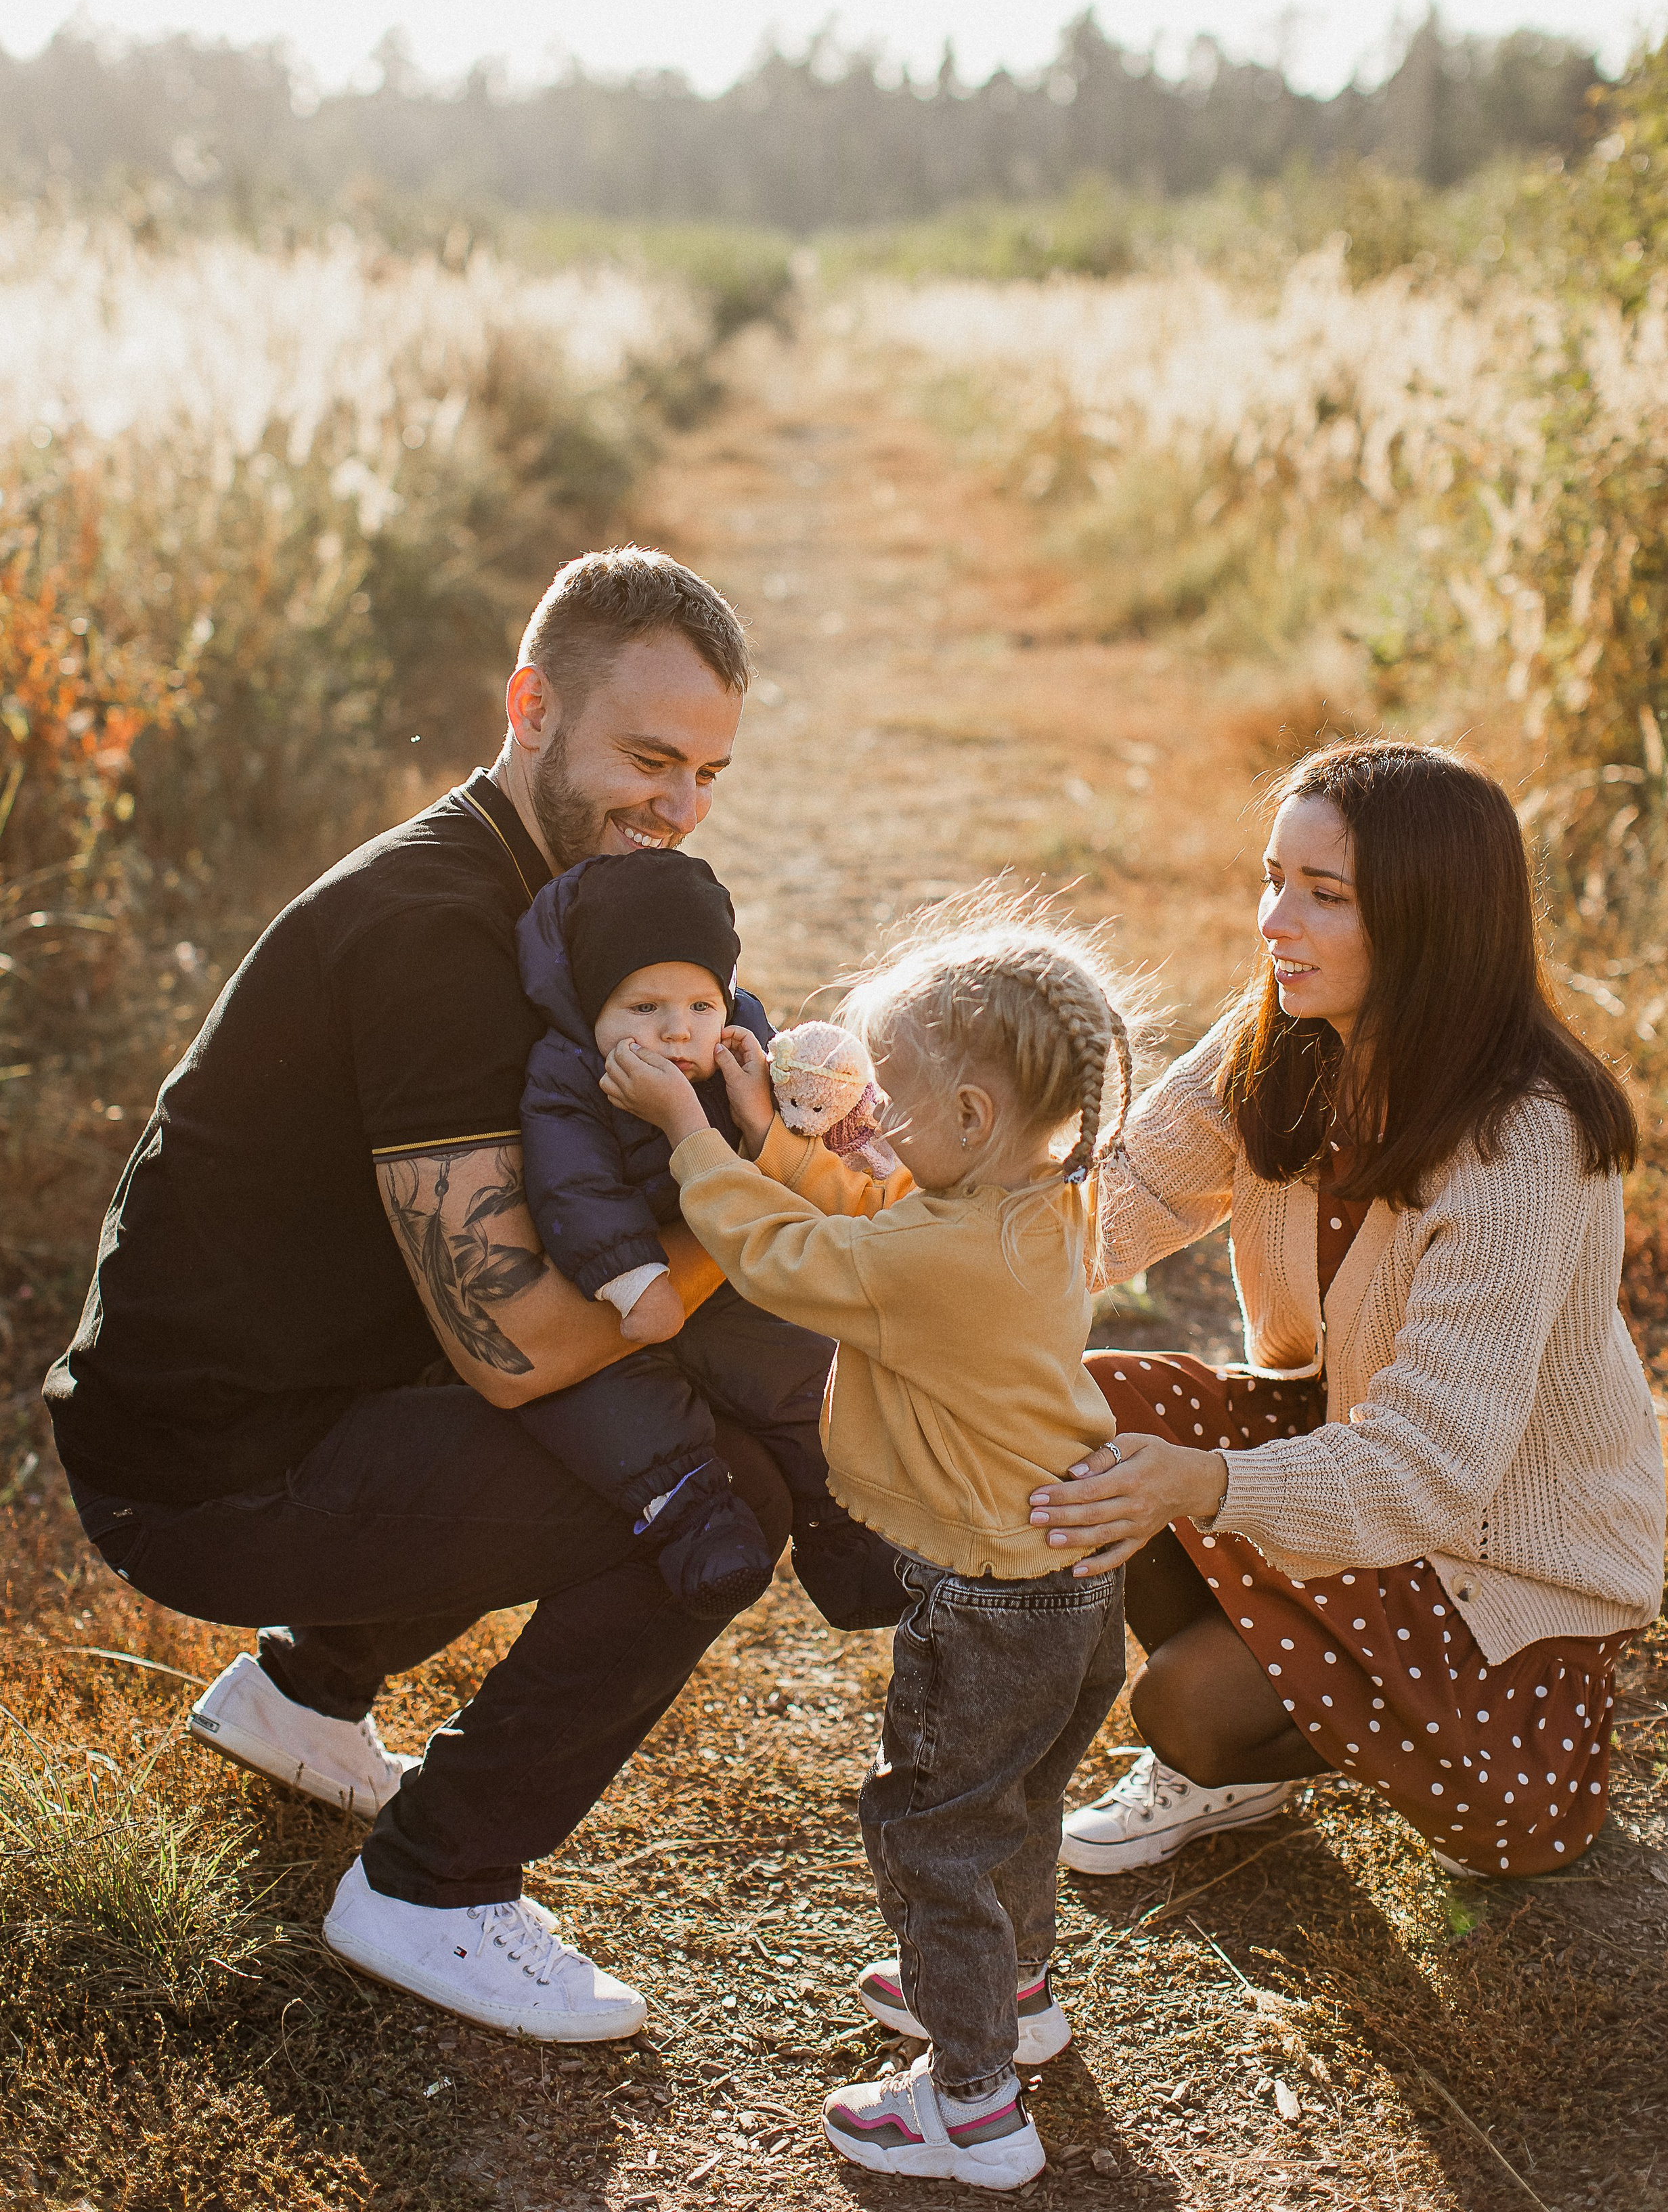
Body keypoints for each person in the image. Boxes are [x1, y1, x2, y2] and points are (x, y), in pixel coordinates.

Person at [41, 546, 862, 2043]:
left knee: (668, 1367)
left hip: (288, 1394)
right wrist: (758, 1207)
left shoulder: (554, 905)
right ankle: (435, 1883)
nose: (677, 809)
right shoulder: (437, 933)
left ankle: (307, 1696)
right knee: (708, 1486)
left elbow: (585, 1180)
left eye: (709, 775)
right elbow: (519, 1347)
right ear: (531, 705)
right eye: (647, 759)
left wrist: (758, 1127)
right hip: (205, 1472)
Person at [1024, 739, 1667, 1885]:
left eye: (1324, 896)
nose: (1275, 921)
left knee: (1190, 1711)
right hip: (1332, 1466)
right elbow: (1124, 1193)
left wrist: (1202, 1483)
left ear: (1431, 921)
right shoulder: (1278, 1035)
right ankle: (1288, 1689)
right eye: (1273, 879)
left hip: (1492, 1568)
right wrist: (937, 1267)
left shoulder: (1526, 1140)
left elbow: (1428, 1470)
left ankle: (1282, 1700)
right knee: (1060, 1400)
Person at [605, 912, 1135, 2192]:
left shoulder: (932, 1251)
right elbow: (875, 1206)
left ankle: (973, 2103)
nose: (871, 1122)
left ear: (967, 1113)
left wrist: (692, 1137)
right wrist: (780, 1137)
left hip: (990, 1602)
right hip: (1074, 1591)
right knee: (1012, 1803)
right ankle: (1013, 1991)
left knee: (931, 1830)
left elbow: (794, 1260)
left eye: (890, 1101)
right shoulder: (1035, 1204)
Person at [514, 844, 896, 1624]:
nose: (676, 1033)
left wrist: (784, 1109)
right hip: (615, 1297)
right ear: (592, 1006)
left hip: (724, 1278)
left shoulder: (738, 1048)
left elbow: (807, 1130)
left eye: (698, 1006)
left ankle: (854, 1544)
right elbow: (572, 1186)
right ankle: (699, 1529)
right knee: (624, 1418)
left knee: (802, 1376)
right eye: (643, 1010)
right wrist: (633, 1281)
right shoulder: (567, 1074)